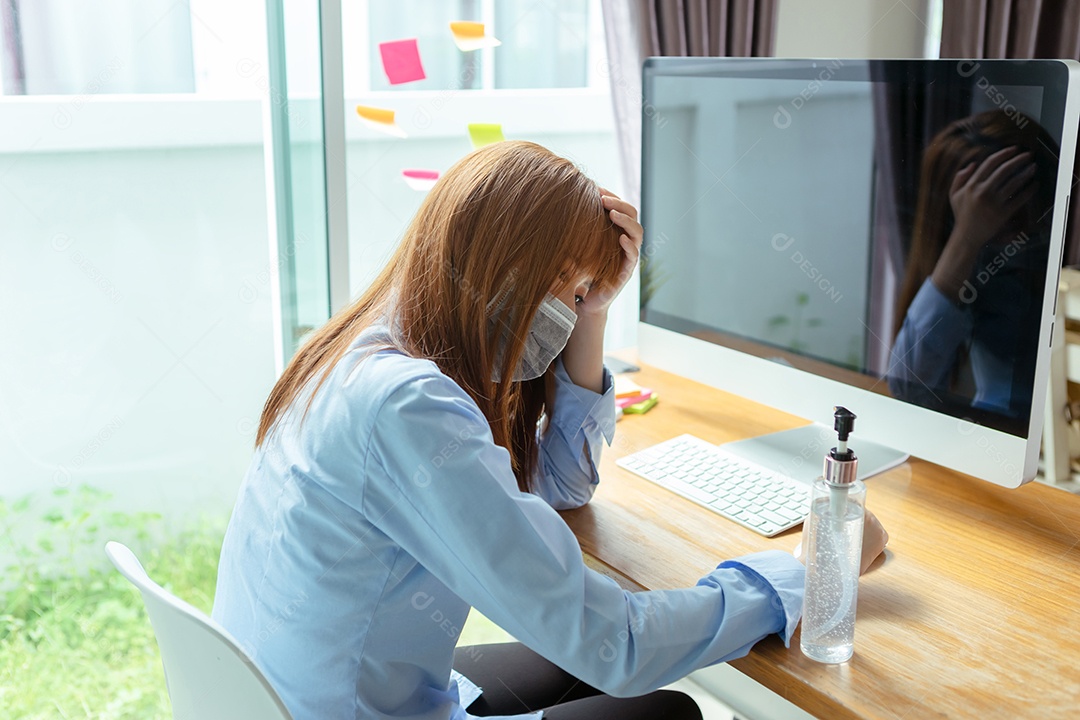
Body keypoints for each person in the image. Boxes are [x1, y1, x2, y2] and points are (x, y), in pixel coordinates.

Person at [212, 141, 888, 720]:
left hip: (311, 694)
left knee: (572, 657)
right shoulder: (408, 407)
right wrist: (807, 573)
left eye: (582, 293)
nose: (571, 310)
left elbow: (561, 487)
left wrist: (593, 316)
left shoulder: (369, 345)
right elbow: (618, 648)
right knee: (667, 708)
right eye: (568, 289)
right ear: (502, 266)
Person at [889, 110, 1057, 420]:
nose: (1022, 240)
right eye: (1004, 223)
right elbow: (907, 386)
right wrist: (966, 240)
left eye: (1031, 219)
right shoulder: (974, 268)